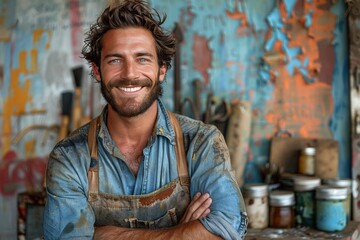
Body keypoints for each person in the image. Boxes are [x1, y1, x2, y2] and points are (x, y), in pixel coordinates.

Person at [43, 0, 248, 239]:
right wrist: (182, 232)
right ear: (97, 70)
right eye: (115, 60)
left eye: (142, 59)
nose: (130, 74)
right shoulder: (69, 158)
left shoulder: (201, 142)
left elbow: (227, 230)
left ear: (162, 69)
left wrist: (104, 235)